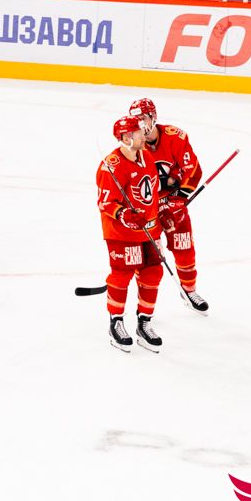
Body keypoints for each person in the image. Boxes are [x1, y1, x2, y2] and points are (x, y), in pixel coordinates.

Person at [130, 97, 208, 314]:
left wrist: (178, 200)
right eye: (135, 120)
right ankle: (144, 307)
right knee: (149, 262)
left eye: (143, 118)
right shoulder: (131, 145)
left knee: (184, 247)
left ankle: (189, 290)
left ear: (153, 117)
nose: (140, 124)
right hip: (148, 208)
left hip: (173, 202)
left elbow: (193, 170)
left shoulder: (175, 137)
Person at [97, 114, 165, 352]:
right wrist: (124, 214)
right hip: (121, 233)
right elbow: (105, 202)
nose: (143, 134)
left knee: (153, 273)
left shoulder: (146, 156)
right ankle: (115, 322)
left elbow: (152, 193)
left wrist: (162, 212)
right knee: (122, 275)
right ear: (126, 138)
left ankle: (144, 323)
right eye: (137, 132)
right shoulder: (111, 165)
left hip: (149, 230)